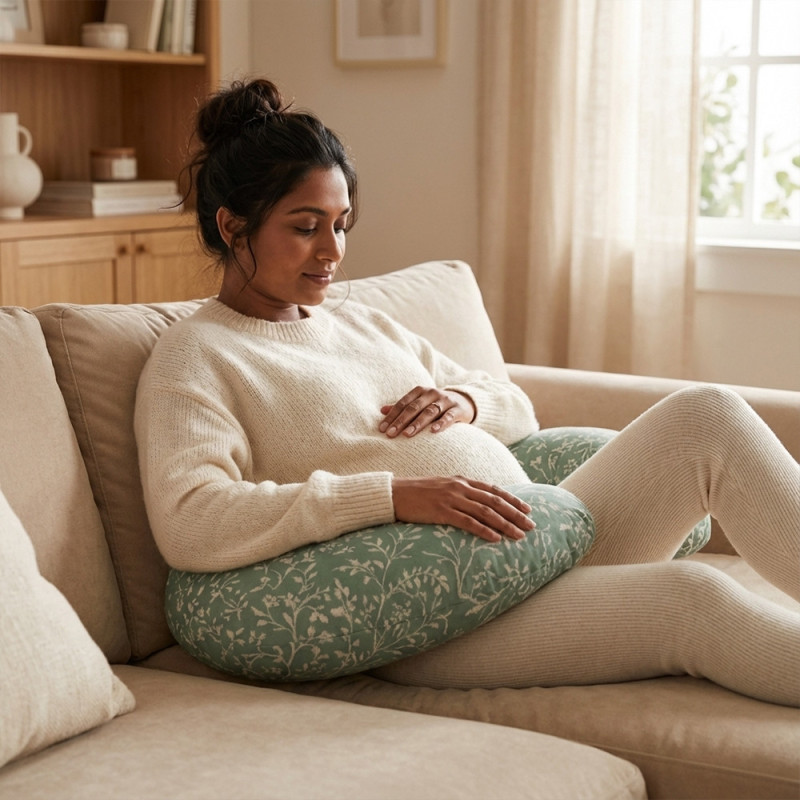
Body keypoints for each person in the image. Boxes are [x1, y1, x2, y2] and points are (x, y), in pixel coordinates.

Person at [134, 78, 800, 707]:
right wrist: (393, 498)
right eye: (306, 227)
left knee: (704, 417)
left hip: (538, 541)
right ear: (232, 226)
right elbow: (193, 518)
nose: (332, 251)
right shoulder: (196, 356)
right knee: (692, 600)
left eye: (342, 224)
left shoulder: (358, 320)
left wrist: (466, 404)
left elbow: (513, 404)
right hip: (433, 614)